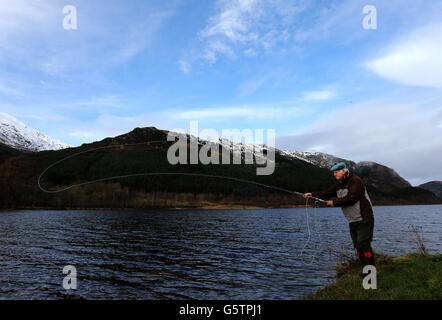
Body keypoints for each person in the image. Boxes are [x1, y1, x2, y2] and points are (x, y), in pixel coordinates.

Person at [303, 162, 375, 270]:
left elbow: (352, 198)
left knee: (363, 245)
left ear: (344, 171)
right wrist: (312, 194)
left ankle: (371, 270)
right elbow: (326, 193)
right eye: (333, 173)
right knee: (358, 246)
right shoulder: (339, 184)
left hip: (365, 218)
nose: (334, 175)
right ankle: (364, 268)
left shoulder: (356, 181)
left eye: (336, 172)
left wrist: (334, 202)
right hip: (352, 220)